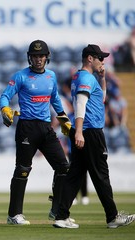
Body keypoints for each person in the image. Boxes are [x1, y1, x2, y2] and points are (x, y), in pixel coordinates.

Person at [53, 44, 135, 229]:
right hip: (89, 132)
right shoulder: (85, 78)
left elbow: (101, 99)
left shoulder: (85, 77)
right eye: (100, 58)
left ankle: (61, 216)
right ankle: (113, 217)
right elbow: (80, 105)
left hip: (85, 130)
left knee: (75, 175)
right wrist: (80, 131)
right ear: (90, 58)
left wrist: (103, 78)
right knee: (101, 175)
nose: (103, 61)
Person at [0, 40, 72, 225]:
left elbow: (55, 99)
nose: (38, 59)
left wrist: (63, 118)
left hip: (46, 128)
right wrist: (5, 110)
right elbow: (5, 96)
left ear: (47, 57)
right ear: (29, 58)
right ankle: (14, 214)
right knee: (23, 170)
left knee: (64, 167)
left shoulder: (51, 77)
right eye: (35, 56)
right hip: (27, 127)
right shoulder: (21, 76)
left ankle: (57, 211)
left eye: (41, 56)